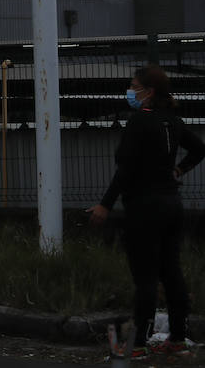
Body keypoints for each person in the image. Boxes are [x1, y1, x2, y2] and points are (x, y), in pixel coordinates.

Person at [88, 65, 205, 358]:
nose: (130, 91)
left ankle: (138, 343)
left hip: (144, 207)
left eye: (134, 86)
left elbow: (125, 170)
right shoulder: (173, 121)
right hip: (171, 206)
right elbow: (200, 149)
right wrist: (179, 168)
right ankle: (177, 339)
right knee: (171, 272)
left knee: (145, 278)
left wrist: (105, 203)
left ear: (148, 92)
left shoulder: (140, 121)